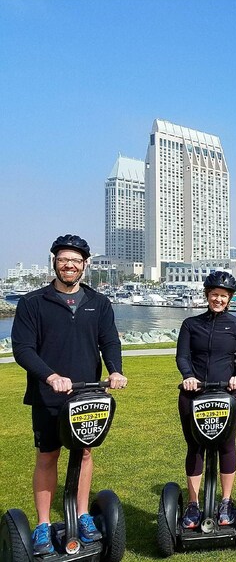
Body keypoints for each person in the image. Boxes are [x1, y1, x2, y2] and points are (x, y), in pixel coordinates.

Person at [12, 234, 127, 556]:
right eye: (64, 260)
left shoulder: (98, 303)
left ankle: (82, 514)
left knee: (85, 453)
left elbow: (109, 342)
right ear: (54, 262)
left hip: (87, 394)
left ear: (85, 265)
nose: (70, 265)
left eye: (76, 261)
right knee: (48, 456)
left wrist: (115, 370)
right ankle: (43, 524)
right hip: (48, 395)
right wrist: (50, 376)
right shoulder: (34, 302)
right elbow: (22, 349)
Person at [176, 271, 236, 528]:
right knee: (194, 446)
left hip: (227, 393)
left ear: (230, 299)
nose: (218, 299)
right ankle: (193, 504)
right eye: (214, 295)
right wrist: (188, 376)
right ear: (207, 295)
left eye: (223, 296)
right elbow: (182, 357)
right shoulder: (191, 324)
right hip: (193, 393)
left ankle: (226, 501)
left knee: (227, 445)